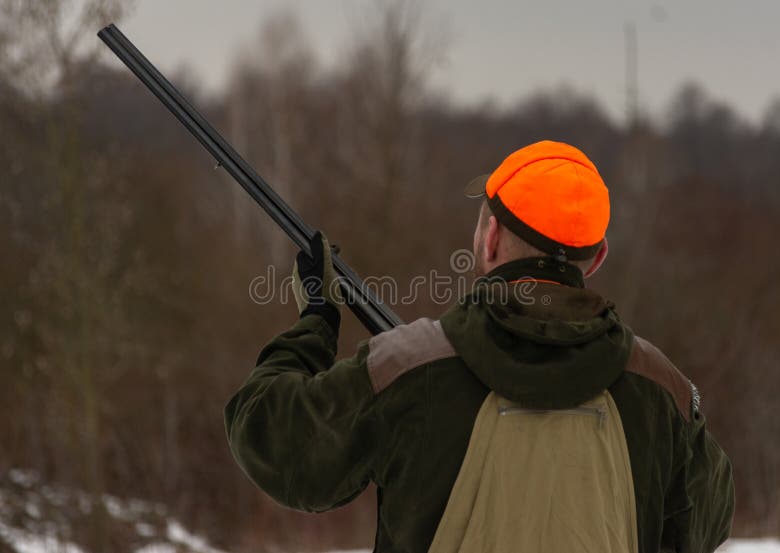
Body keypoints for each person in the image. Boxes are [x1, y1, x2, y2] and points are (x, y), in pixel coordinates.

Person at [224, 140, 735, 552]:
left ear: (489, 240)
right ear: (597, 258)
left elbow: (272, 440)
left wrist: (316, 318)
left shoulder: (407, 367)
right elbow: (706, 523)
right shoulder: (660, 389)